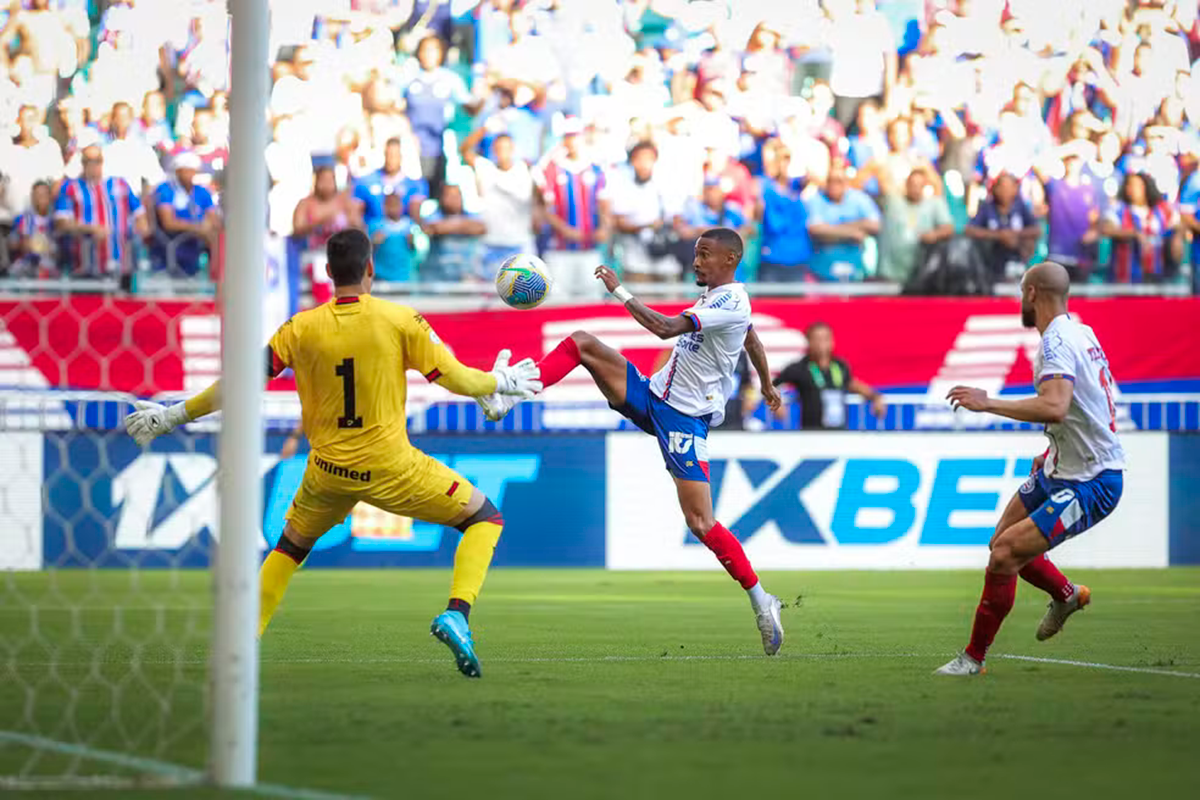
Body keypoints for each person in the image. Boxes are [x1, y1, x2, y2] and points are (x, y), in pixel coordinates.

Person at [123, 229, 542, 678]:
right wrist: (497, 383)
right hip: (391, 467)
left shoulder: (300, 328)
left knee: (289, 547)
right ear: (370, 270)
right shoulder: (401, 320)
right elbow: (456, 379)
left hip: (326, 470)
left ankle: (239, 644)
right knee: (484, 518)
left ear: (327, 273)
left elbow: (242, 380)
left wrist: (173, 415)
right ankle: (457, 613)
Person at [476, 228, 787, 655]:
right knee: (582, 343)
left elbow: (663, 329)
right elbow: (749, 336)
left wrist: (618, 289)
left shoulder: (732, 300)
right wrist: (768, 384)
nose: (696, 262)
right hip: (653, 395)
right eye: (695, 253)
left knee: (700, 522)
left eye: (704, 255)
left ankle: (760, 599)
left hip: (684, 419)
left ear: (730, 260)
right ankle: (509, 396)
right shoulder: (719, 298)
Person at [937, 262, 1126, 676]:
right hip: (1063, 466)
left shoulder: (1057, 341)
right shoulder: (1081, 332)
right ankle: (1066, 595)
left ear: (1033, 294)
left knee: (1006, 555)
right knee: (1001, 543)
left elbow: (1056, 406)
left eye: (1022, 292)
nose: (1020, 300)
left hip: (1092, 481)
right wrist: (1054, 447)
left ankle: (973, 659)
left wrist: (989, 402)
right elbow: (1085, 405)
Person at [534, 117, 610, 299]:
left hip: (589, 248)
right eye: (568, 136)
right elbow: (546, 208)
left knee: (591, 300)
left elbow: (604, 204)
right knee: (558, 301)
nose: (572, 141)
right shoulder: (551, 170)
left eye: (575, 136)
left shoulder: (597, 168)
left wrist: (605, 228)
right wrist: (565, 230)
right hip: (560, 250)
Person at [53, 142, 148, 278]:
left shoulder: (119, 184)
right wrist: (90, 229)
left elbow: (140, 214)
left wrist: (137, 231)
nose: (93, 165)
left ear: (102, 162)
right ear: (83, 163)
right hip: (85, 265)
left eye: (97, 161)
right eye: (88, 161)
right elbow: (61, 223)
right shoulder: (70, 188)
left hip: (120, 264)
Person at [773, 321, 885, 430]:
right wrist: (777, 404)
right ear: (808, 341)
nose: (821, 343)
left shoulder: (840, 365)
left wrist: (875, 397)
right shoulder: (799, 368)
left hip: (839, 432)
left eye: (826, 339)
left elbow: (852, 383)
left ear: (832, 341)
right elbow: (771, 386)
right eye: (817, 339)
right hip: (811, 434)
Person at [460, 128, 535, 271]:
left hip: (519, 244)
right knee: (487, 291)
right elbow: (464, 150)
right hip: (490, 244)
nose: (502, 151)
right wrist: (485, 129)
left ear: (513, 149)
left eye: (506, 147)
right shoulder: (485, 168)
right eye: (499, 147)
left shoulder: (525, 170)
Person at [609, 140, 679, 283]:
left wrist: (665, 226)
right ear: (632, 161)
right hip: (635, 262)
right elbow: (619, 222)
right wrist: (646, 227)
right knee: (639, 302)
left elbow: (677, 219)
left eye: (648, 159)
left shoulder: (666, 185)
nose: (644, 163)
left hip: (667, 261)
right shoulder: (623, 186)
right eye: (639, 159)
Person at [1098, 172, 1181, 284]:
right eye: (1128, 185)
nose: (1131, 189)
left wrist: (1177, 237)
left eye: (1136, 185)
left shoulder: (1161, 210)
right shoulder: (1119, 209)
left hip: (1156, 276)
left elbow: (1180, 224)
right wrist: (1134, 234)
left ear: (1146, 187)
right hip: (1126, 279)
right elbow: (1106, 228)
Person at [805, 164, 881, 282]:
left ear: (846, 183)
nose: (834, 185)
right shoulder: (816, 200)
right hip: (821, 271)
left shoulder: (859, 199)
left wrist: (832, 231)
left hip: (854, 270)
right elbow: (815, 229)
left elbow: (875, 225)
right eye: (830, 181)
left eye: (838, 181)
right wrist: (851, 233)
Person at [878, 169, 954, 284]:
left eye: (920, 185)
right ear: (906, 184)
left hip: (919, 274)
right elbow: (883, 178)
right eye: (912, 184)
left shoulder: (934, 204)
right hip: (890, 272)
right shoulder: (893, 202)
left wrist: (934, 235)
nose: (915, 189)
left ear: (925, 187)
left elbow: (949, 228)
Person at [152, 151, 220, 276]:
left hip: (196, 243)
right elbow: (168, 223)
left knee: (218, 238)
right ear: (177, 171)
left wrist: (207, 227)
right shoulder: (166, 190)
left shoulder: (202, 192)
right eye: (186, 170)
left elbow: (213, 218)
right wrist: (196, 228)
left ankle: (216, 275)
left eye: (193, 170)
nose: (190, 174)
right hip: (172, 243)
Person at [965, 173, 1040, 281]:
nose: (1005, 191)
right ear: (994, 189)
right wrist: (998, 235)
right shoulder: (987, 207)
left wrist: (1014, 234)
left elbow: (1036, 229)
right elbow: (969, 230)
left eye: (1009, 187)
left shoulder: (1020, 206)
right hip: (991, 261)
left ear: (1015, 189)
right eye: (1001, 187)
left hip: (1017, 257)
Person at [757, 146, 812, 282]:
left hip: (798, 259)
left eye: (788, 160)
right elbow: (775, 225)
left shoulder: (798, 188)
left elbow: (811, 176)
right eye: (782, 160)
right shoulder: (767, 189)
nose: (786, 165)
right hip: (774, 258)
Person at [353, 137, 428, 227]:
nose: (391, 160)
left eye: (395, 155)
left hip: (402, 236)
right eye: (389, 155)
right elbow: (355, 215)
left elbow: (415, 216)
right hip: (373, 233)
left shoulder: (416, 185)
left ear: (401, 156)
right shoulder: (365, 181)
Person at [420, 183, 486, 282]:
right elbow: (433, 228)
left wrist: (448, 226)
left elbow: (480, 228)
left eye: (456, 196)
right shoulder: (433, 216)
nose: (453, 199)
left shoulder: (472, 215)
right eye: (449, 195)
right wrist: (464, 227)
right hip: (438, 278)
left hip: (465, 277)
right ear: (441, 198)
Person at [7, 180, 55, 277]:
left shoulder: (55, 219)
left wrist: (35, 244)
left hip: (52, 267)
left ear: (50, 197)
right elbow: (25, 246)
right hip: (28, 266)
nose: (40, 198)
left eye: (44, 194)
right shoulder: (25, 218)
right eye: (37, 195)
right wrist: (45, 246)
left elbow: (57, 250)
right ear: (32, 197)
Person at [369, 192, 414, 282]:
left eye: (396, 204)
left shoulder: (409, 225)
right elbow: (367, 251)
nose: (393, 208)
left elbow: (415, 251)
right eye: (389, 205)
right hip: (381, 276)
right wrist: (374, 242)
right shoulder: (375, 225)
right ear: (384, 207)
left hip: (403, 276)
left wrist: (411, 242)